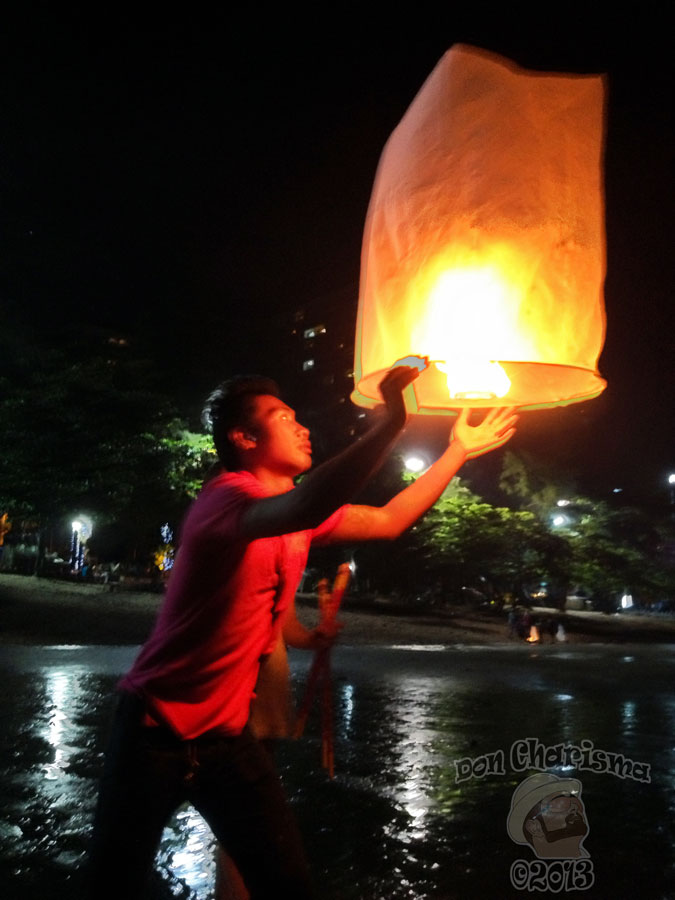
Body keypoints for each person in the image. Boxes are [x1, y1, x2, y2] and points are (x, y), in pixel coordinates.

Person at [87, 364, 517, 899]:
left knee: (287, 883)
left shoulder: (297, 518)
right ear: (245, 438)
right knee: (112, 882)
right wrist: (390, 423)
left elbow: (388, 520)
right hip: (154, 732)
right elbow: (309, 502)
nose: (303, 428)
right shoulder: (227, 501)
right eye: (283, 418)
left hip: (226, 738)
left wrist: (457, 450)